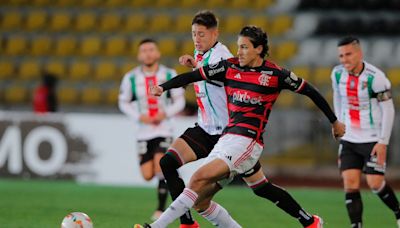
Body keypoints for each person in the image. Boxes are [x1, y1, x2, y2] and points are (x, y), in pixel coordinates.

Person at [134, 25, 345, 228]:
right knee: (214, 199)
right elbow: (193, 76)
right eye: (238, 46)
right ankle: (310, 222)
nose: (239, 52)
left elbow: (311, 91)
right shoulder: (230, 67)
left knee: (197, 179)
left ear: (259, 49)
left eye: (244, 47)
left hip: (248, 142)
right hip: (227, 139)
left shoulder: (276, 75)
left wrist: (334, 121)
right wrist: (163, 87)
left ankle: (156, 226)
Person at [331, 36, 400, 228]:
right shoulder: (337, 74)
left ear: (359, 54)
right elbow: (338, 97)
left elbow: (388, 109)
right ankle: (356, 226)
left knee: (375, 183)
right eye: (341, 56)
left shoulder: (375, 77)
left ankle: (398, 211)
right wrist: (338, 123)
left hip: (372, 140)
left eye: (348, 54)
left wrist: (383, 142)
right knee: (350, 183)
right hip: (349, 139)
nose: (344, 59)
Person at [118, 38, 185, 221]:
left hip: (164, 129)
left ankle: (160, 209)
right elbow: (123, 102)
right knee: (148, 175)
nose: (147, 53)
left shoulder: (169, 74)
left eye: (151, 49)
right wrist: (139, 116)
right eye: (144, 50)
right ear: (139, 55)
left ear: (158, 53)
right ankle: (175, 175)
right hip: (143, 131)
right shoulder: (130, 77)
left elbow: (180, 100)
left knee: (160, 166)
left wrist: (165, 114)